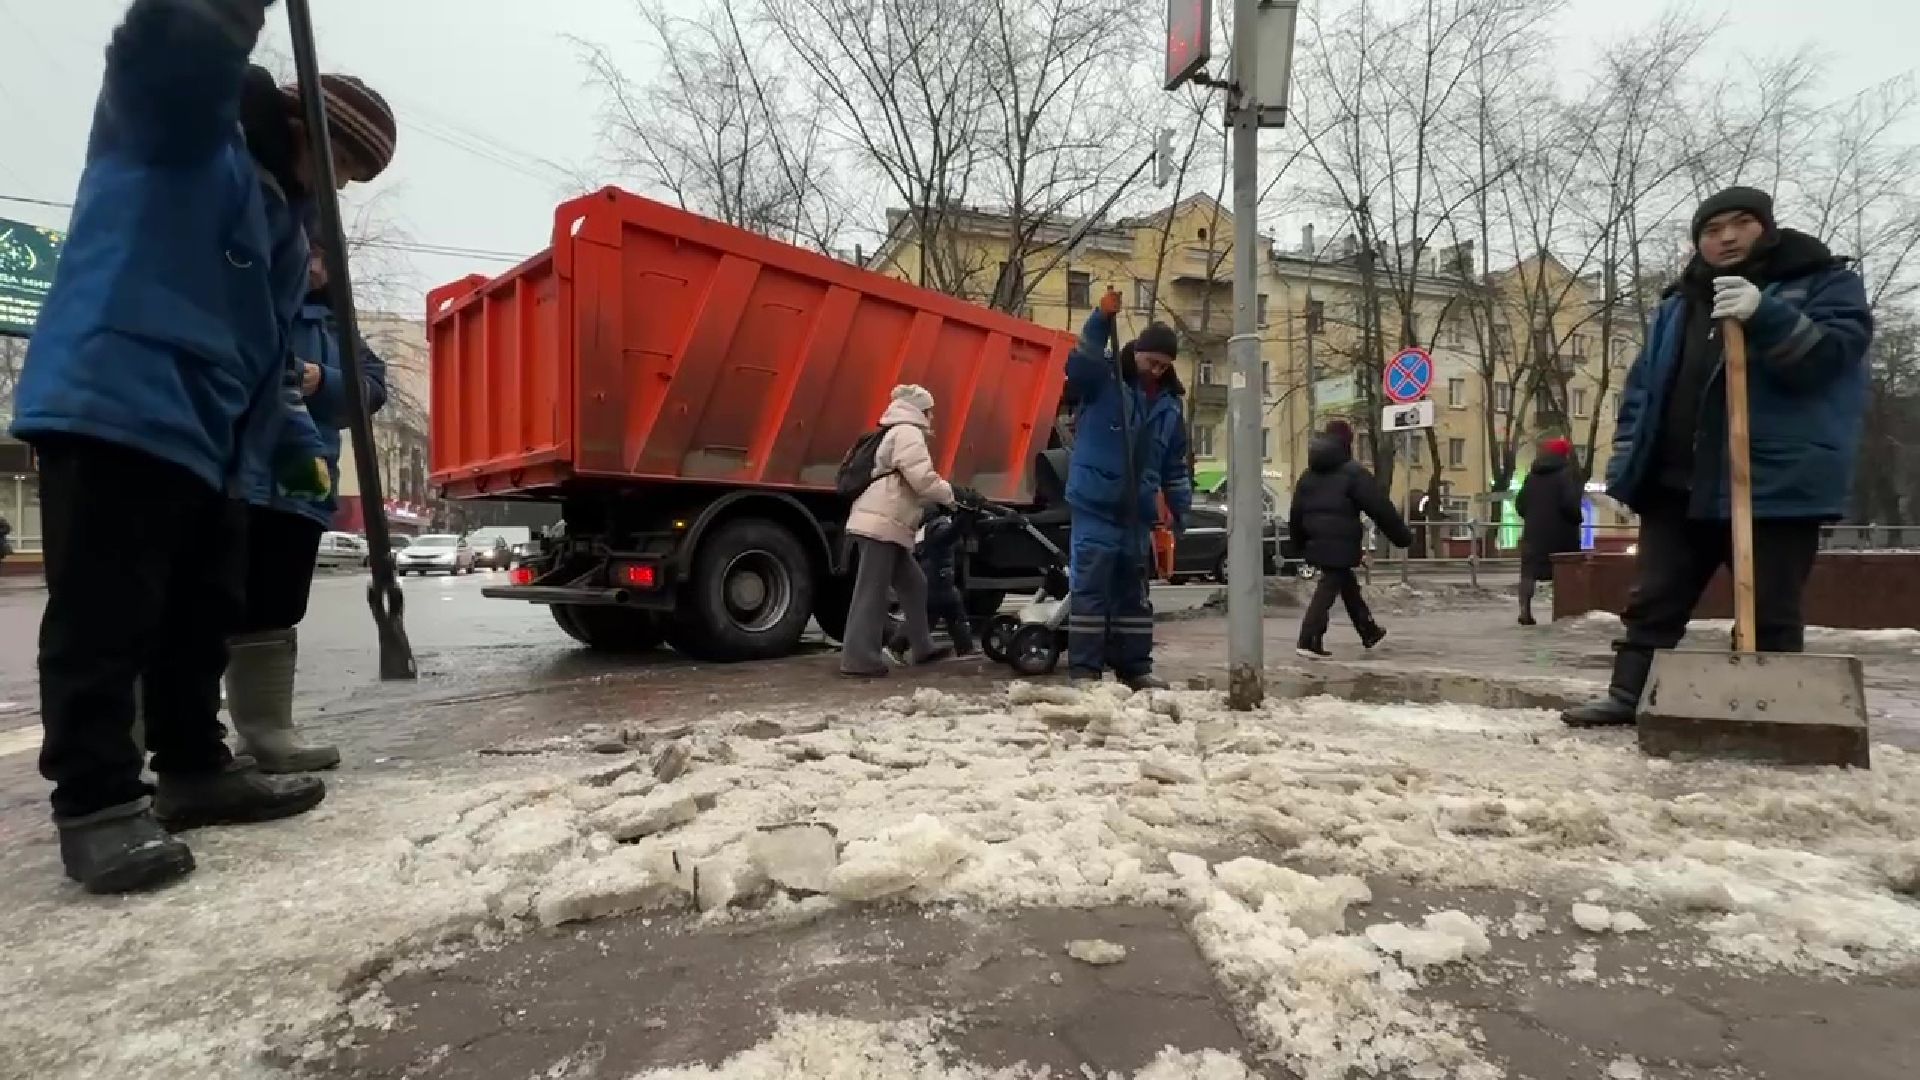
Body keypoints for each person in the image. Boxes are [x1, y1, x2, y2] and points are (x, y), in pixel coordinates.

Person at [9, 0, 396, 894]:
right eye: (346, 166)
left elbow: (267, 356)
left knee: (200, 614)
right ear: (308, 129)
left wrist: (293, 443)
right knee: (108, 617)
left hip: (215, 442)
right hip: (117, 404)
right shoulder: (184, 129)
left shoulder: (285, 226)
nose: (342, 189)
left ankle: (192, 769)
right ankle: (99, 805)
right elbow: (167, 45)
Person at [1563, 186, 1872, 727]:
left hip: (1770, 480)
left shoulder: (1821, 282)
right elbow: (1643, 391)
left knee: (1769, 604)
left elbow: (1831, 358)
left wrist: (1767, 315)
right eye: (1711, 229)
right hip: (1677, 481)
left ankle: (1770, 708)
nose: (1726, 237)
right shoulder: (1679, 303)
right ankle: (1629, 695)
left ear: (1766, 227)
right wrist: (1628, 462)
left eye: (1740, 223)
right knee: (1654, 597)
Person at [229, 231, 391, 773]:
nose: (316, 266)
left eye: (326, 256)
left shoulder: (336, 324)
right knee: (207, 601)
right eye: (310, 251)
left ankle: (266, 731)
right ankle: (183, 740)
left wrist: (322, 380)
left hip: (301, 479)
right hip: (233, 470)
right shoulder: (249, 293)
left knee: (277, 602)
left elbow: (371, 389)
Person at [1064, 290, 1192, 691]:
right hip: (1096, 503)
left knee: (1133, 596)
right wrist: (1101, 319)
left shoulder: (1170, 407)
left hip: (1137, 512)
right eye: (1152, 361)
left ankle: (1135, 667)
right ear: (1137, 352)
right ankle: (1085, 671)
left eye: (1164, 365)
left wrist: (1179, 511)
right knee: (1090, 591)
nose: (1156, 370)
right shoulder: (1103, 380)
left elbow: (1174, 466)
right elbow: (1081, 360)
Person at [840, 385, 968, 677]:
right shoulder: (908, 432)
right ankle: (859, 660)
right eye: (930, 410)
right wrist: (953, 496)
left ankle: (922, 647)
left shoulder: (895, 431)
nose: (932, 416)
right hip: (880, 523)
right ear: (919, 410)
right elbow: (921, 479)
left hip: (887, 523)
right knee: (871, 593)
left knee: (915, 584)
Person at [1289, 420, 1413, 659]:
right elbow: (1380, 508)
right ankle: (1308, 639)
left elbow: (1296, 512)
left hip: (1317, 539)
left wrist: (1299, 543)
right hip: (1341, 540)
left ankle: (1369, 631)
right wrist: (1402, 537)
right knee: (1330, 584)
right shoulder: (1353, 473)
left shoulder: (1308, 475)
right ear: (1348, 442)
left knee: (1346, 583)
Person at [888, 504, 975, 660]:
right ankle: (966, 649)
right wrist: (964, 518)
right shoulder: (939, 525)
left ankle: (898, 645)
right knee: (950, 613)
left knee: (930, 616)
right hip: (939, 581)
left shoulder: (924, 530)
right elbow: (949, 535)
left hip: (934, 579)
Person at [1515, 436, 1584, 626]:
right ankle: (1563, 612)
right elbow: (1569, 503)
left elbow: (1520, 504)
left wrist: (1532, 518)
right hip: (1561, 534)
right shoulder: (1566, 474)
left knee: (1529, 573)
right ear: (1564, 455)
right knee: (1564, 572)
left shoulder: (1532, 475)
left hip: (1533, 535)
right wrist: (1577, 518)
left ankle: (1525, 611)